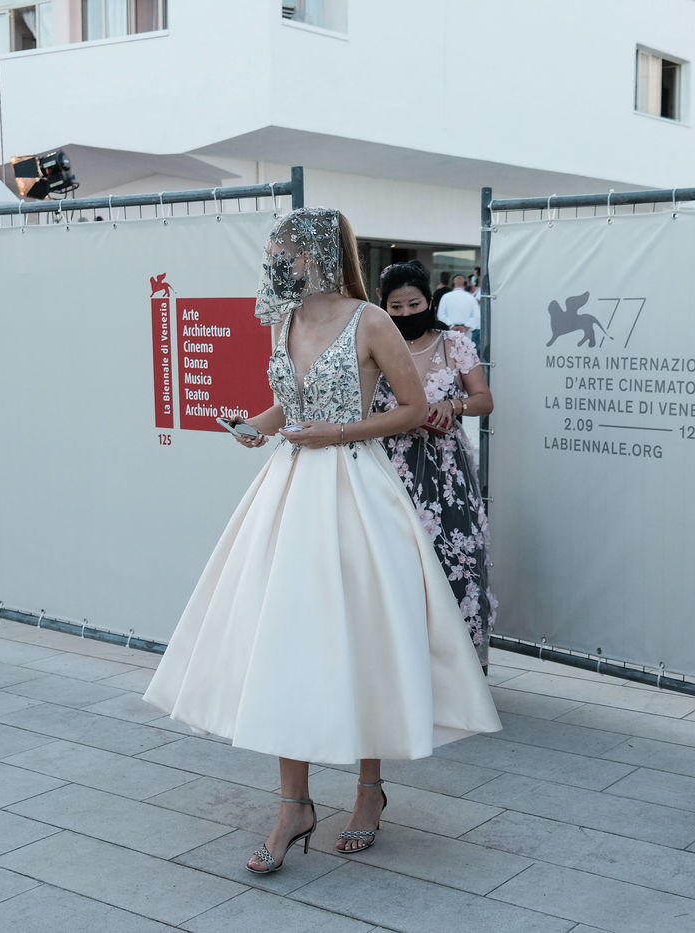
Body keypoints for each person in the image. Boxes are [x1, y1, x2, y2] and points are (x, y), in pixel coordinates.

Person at [142, 208, 501, 875]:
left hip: (355, 489)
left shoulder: (371, 320)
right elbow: (293, 400)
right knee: (284, 638)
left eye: (285, 250)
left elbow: (412, 409)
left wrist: (336, 433)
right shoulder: (281, 319)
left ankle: (368, 792)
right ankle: (294, 805)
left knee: (364, 637)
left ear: (316, 254)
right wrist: (257, 424)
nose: (275, 260)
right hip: (289, 489)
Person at [372, 261, 497, 670]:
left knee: (454, 558)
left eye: (414, 304)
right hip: (389, 465)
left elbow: (484, 400)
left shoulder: (453, 343)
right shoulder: (374, 345)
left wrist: (454, 405)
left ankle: (458, 671)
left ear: (430, 301)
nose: (406, 313)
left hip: (447, 470)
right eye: (396, 306)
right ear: (382, 304)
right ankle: (401, 668)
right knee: (396, 562)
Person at [436, 274, 481, 353]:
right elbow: (477, 316)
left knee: (450, 354)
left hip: (449, 333)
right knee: (466, 356)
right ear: (465, 284)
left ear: (452, 283)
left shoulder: (445, 297)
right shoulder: (471, 298)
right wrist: (465, 327)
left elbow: (441, 315)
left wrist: (452, 326)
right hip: (466, 334)